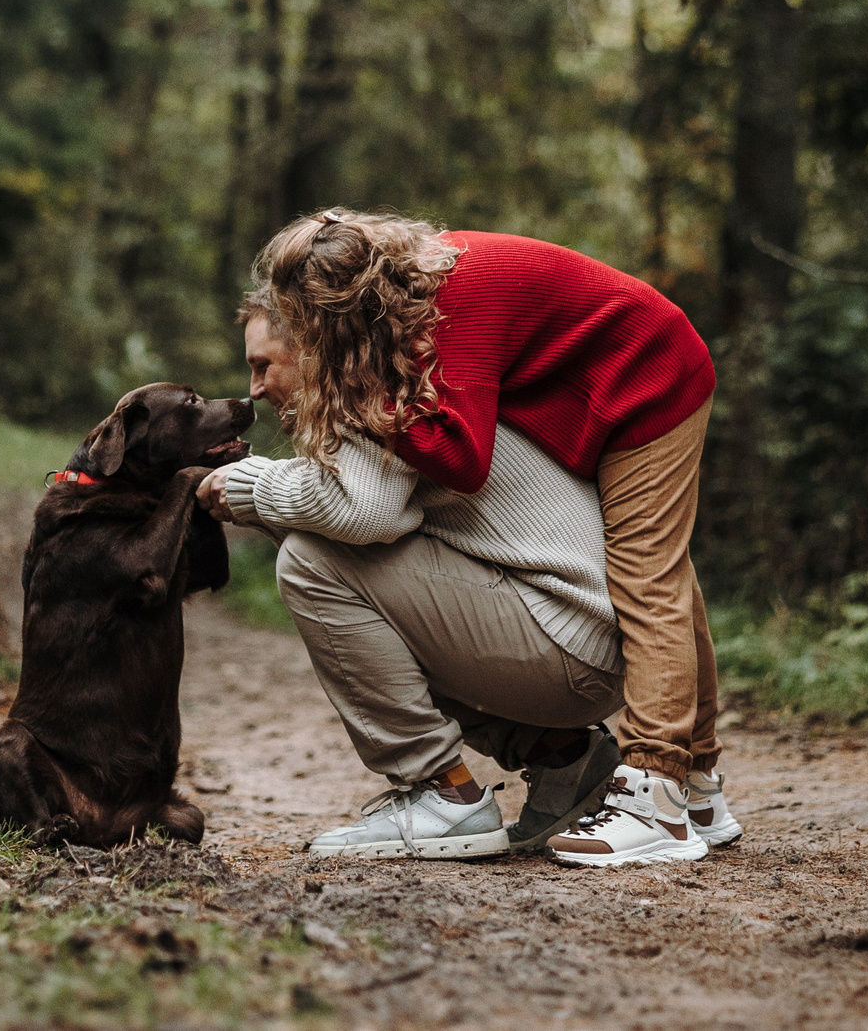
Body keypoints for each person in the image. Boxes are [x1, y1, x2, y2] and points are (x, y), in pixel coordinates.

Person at [244, 210, 738, 867]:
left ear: (343, 314)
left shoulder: (450, 306)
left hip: (650, 377)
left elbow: (462, 455)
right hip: (599, 385)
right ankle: (700, 789)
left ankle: (659, 798)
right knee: (668, 573)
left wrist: (364, 401)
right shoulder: (419, 296)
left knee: (651, 577)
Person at [201, 293, 629, 858]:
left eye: (264, 364)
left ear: (313, 346)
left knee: (312, 561)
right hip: (579, 641)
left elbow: (365, 514)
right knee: (337, 569)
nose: (255, 388)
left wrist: (249, 485)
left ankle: (442, 794)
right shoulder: (404, 373)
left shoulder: (370, 389)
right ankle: (561, 755)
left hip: (564, 640)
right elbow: (366, 512)